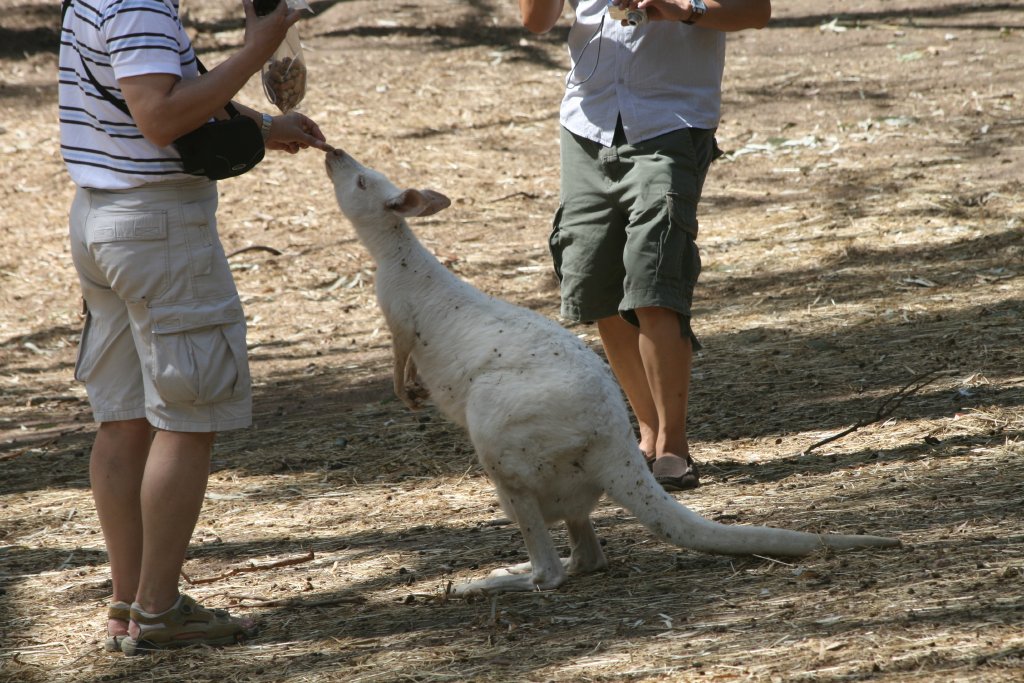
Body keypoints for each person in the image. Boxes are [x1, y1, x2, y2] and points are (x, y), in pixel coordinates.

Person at [58, 0, 330, 654]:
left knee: (125, 417)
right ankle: (157, 609)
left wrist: (261, 126)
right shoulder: (141, 3)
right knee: (189, 413)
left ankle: (130, 602)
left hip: (102, 219)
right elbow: (159, 117)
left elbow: (140, 100)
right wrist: (256, 49)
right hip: (158, 228)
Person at [517, 0, 771, 491]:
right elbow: (536, 21)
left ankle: (675, 446)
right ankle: (648, 429)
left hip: (671, 120)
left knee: (654, 279)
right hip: (587, 123)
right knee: (598, 285)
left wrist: (682, 10)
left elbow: (755, 10)